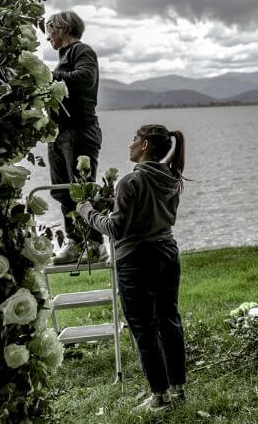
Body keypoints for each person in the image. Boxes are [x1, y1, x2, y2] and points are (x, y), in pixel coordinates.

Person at [76, 124, 187, 413]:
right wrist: (119, 204)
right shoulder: (171, 177)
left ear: (146, 145)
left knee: (145, 329)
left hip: (137, 260)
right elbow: (155, 212)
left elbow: (116, 229)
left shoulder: (130, 181)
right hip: (167, 253)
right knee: (169, 321)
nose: (130, 143)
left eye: (135, 139)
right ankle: (178, 389)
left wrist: (87, 212)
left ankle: (160, 397)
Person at [45, 10, 105, 263]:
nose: (48, 37)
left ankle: (95, 245)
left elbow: (85, 78)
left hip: (80, 131)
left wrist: (48, 76)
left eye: (50, 30)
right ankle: (74, 242)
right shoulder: (64, 57)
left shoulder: (82, 51)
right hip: (60, 134)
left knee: (82, 189)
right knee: (63, 191)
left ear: (63, 28)